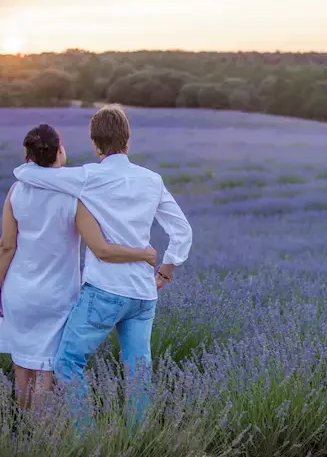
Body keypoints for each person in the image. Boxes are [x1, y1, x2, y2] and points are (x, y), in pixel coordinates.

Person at [13, 105, 193, 423]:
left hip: (105, 292)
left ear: (95, 144)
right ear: (128, 140)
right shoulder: (152, 180)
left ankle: (88, 437)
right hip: (142, 295)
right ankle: (138, 441)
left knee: (68, 364)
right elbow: (182, 231)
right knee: (139, 375)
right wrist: (165, 271)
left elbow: (26, 173)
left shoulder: (88, 177)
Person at [0, 123, 157, 408]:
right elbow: (100, 248)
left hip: (18, 292)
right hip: (57, 295)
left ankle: (23, 433)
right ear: (60, 151)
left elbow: (6, 247)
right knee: (47, 369)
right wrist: (143, 253)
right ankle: (43, 437)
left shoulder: (15, 191)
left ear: (28, 157)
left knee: (22, 363)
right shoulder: (74, 197)